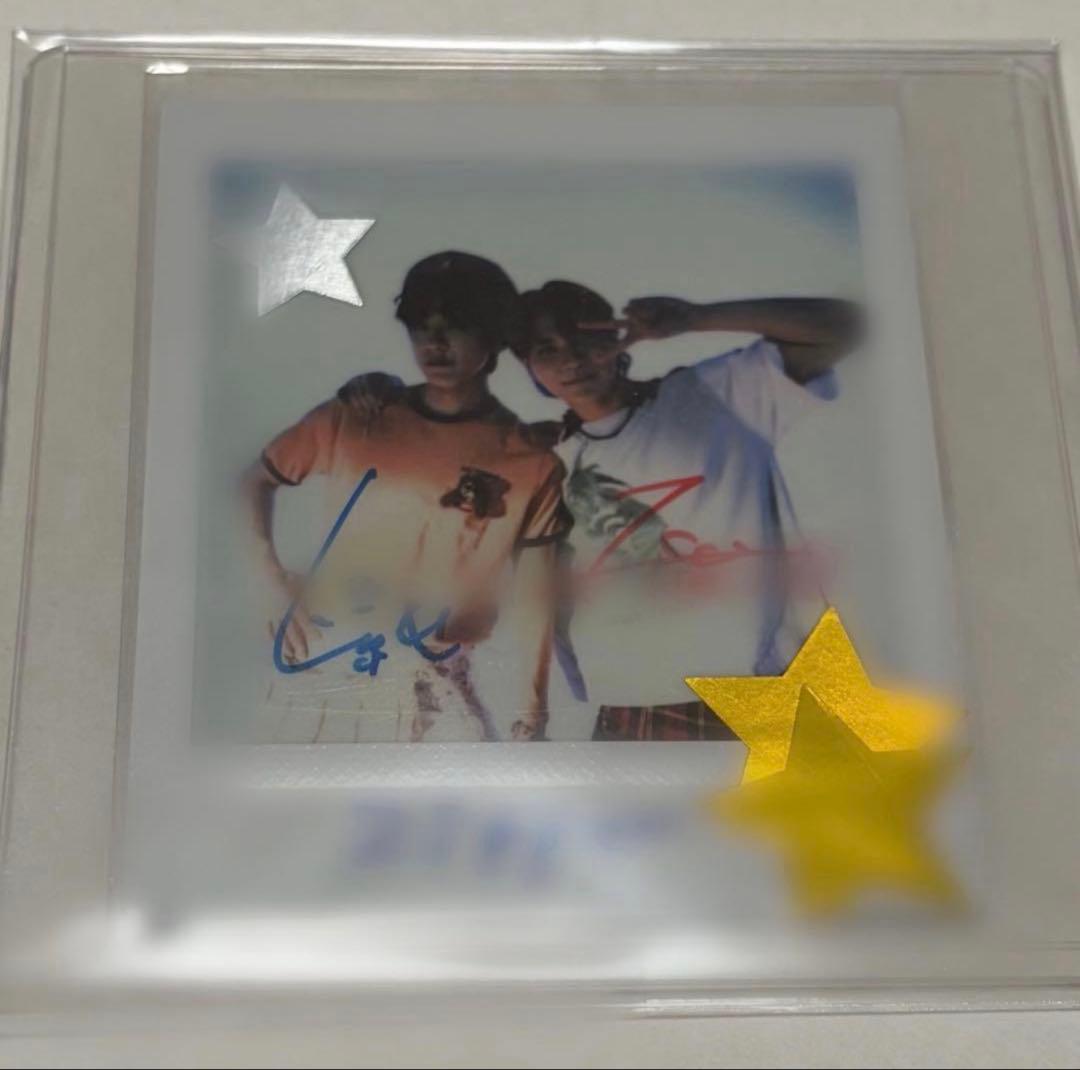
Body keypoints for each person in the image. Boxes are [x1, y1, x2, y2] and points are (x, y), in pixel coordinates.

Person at [508, 281, 861, 741]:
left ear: (616, 336)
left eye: (583, 337)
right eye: (547, 349)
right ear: (529, 367)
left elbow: (845, 326)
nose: (571, 358)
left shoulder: (720, 394)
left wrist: (696, 318)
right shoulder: (542, 461)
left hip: (761, 689)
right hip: (631, 707)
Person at [240, 252, 568, 743]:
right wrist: (269, 581)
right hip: (324, 672)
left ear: (495, 334)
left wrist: (533, 712)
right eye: (420, 326)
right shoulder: (357, 416)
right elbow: (253, 482)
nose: (435, 343)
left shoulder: (530, 461)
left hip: (433, 684)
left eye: (456, 326)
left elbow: (535, 597)